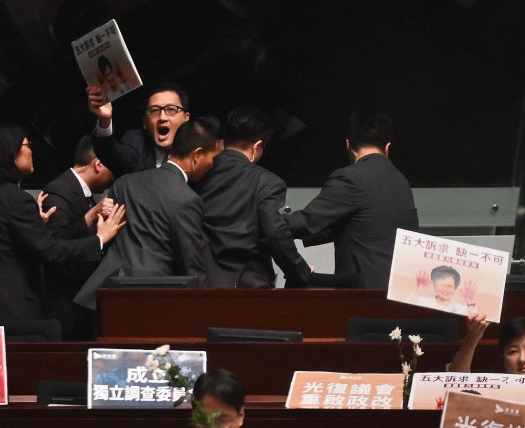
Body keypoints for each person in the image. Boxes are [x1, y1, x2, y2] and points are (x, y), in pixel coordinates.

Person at [0, 122, 126, 326]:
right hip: (5, 308)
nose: (32, 151)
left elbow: (0, 244)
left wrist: (37, 224)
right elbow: (51, 250)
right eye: (27, 145)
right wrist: (99, 239)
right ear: (10, 152)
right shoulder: (14, 198)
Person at [74, 117, 222, 310]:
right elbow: (191, 262)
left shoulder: (124, 183)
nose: (212, 165)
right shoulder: (187, 199)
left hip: (107, 291)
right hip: (153, 296)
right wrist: (208, 305)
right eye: (213, 158)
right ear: (197, 155)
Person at [284, 110, 419, 289]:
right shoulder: (401, 181)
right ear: (387, 147)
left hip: (363, 292)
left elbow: (306, 221)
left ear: (348, 145)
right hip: (400, 289)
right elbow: (366, 224)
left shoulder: (351, 178)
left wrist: (264, 221)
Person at [194, 105, 311, 288]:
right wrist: (301, 272)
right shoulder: (266, 182)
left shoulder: (199, 174)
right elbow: (275, 233)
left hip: (200, 283)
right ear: (257, 146)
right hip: (247, 287)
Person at [40, 136, 115, 340]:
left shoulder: (82, 192)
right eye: (112, 167)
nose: (113, 176)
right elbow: (56, 245)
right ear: (98, 164)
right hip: (64, 299)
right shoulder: (59, 190)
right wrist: (92, 218)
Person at [87, 81, 190, 178]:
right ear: (145, 122)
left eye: (171, 109)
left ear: (186, 118)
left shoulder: (195, 149)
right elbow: (111, 154)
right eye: (154, 110)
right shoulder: (137, 143)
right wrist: (105, 119)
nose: (162, 118)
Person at [405, 265, 477, 315]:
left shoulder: (460, 309)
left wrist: (470, 302)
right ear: (434, 285)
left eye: (450, 286)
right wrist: (418, 291)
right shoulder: (422, 302)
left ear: (455, 288)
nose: (446, 289)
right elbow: (405, 309)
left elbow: (474, 322)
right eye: (442, 285)